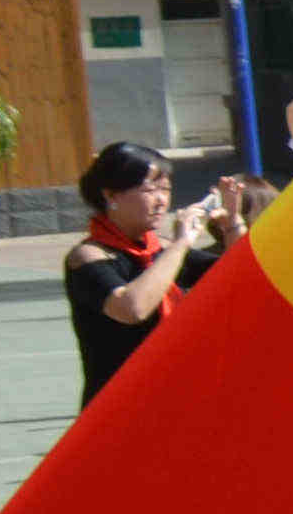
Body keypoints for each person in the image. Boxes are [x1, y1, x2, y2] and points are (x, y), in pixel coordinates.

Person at [60, 141, 227, 404]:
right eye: (150, 189)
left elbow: (238, 273)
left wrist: (233, 227)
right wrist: (182, 242)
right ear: (111, 196)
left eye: (166, 189)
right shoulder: (87, 257)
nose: (162, 201)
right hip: (118, 406)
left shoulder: (161, 252)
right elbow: (132, 308)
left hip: (174, 398)